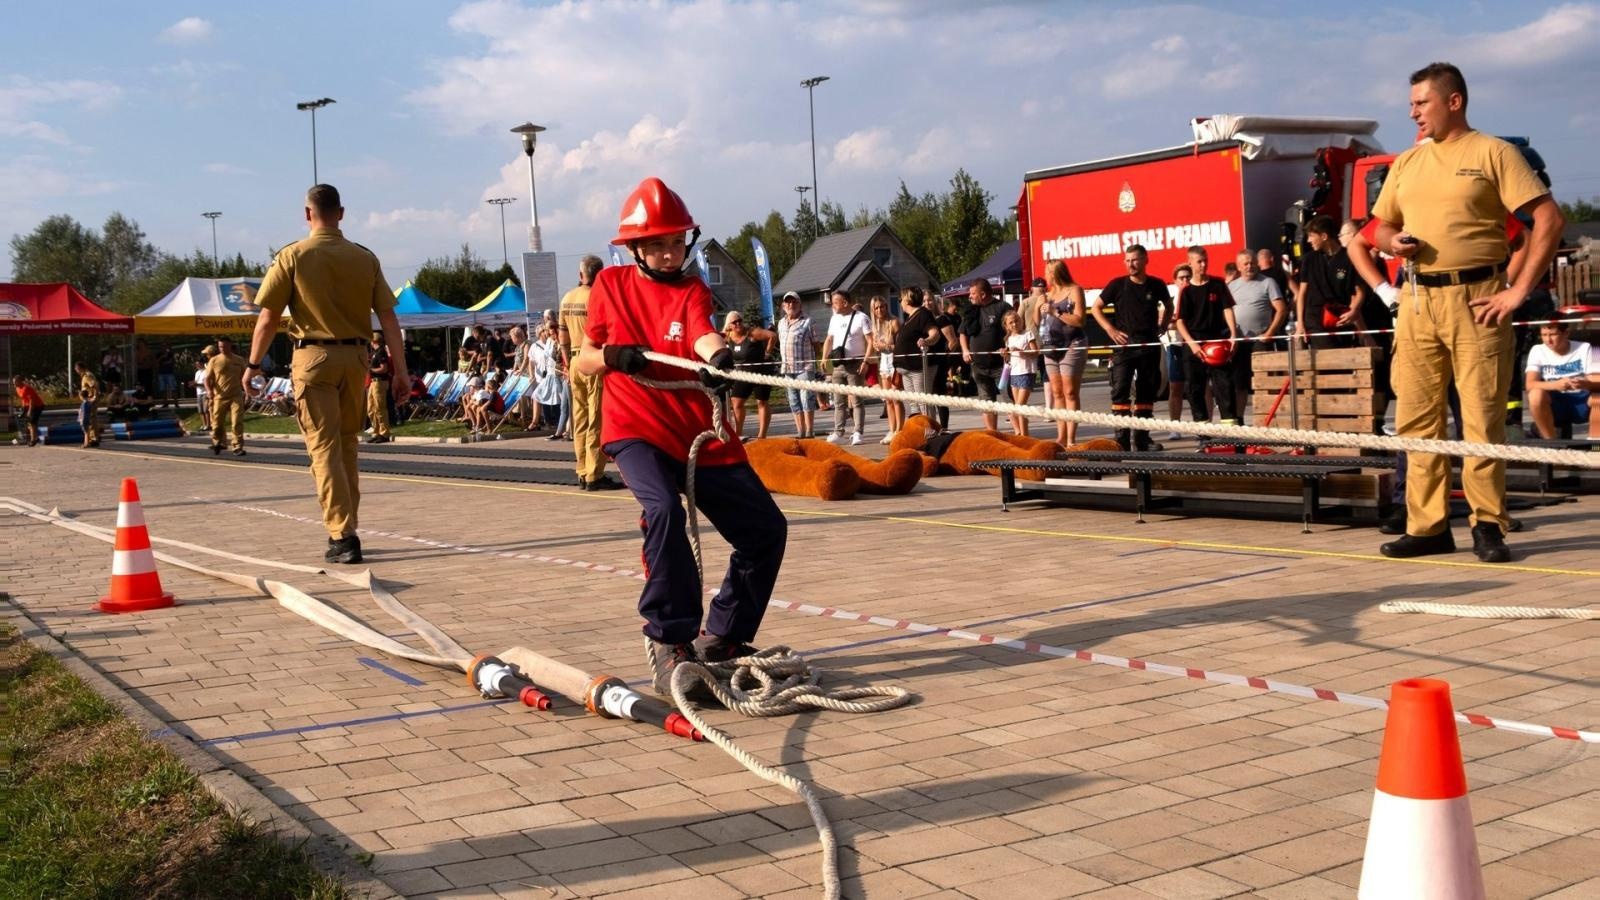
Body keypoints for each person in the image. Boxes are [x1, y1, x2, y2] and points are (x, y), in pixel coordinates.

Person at [575, 176, 788, 695]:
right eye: (658, 245)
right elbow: (582, 360)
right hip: (636, 429)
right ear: (635, 248)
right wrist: (613, 357)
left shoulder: (694, 288)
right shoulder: (611, 287)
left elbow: (700, 331)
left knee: (766, 531)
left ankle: (726, 636)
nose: (670, 255)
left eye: (677, 243)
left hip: (696, 431)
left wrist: (718, 358)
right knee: (664, 512)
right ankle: (671, 642)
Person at [1370, 62, 1564, 563]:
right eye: (1411, 103)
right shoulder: (1408, 163)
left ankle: (1488, 526)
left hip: (1477, 301)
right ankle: (1427, 526)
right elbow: (1379, 229)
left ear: (1454, 101)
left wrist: (1518, 291)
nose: (1412, 111)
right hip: (1416, 303)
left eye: (1421, 102)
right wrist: (1397, 242)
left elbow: (1547, 218)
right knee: (1416, 419)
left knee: (1480, 419)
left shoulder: (1494, 152)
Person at [247, 184, 408, 565]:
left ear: (307, 214)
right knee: (348, 445)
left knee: (323, 448)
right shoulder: (364, 258)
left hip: (313, 358)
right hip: (356, 360)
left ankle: (342, 534)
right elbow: (388, 318)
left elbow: (268, 318)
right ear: (342, 213)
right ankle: (347, 523)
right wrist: (400, 370)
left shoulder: (292, 256)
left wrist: (253, 364)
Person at [1093, 245, 1172, 450]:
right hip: (1124, 349)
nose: (1131, 264)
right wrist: (1110, 329)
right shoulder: (1117, 285)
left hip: (1149, 347)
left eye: (1135, 260)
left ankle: (1142, 438)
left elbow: (1169, 305)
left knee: (1146, 394)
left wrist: (1163, 325)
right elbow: (1096, 307)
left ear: (1146, 260)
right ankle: (1121, 439)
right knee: (1120, 391)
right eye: (1127, 260)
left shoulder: (1156, 284)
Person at [560, 255, 618, 489]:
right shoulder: (597, 297)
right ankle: (594, 473)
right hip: (592, 359)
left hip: (573, 359)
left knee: (580, 418)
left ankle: (582, 469)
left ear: (580, 274)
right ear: (600, 274)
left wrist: (566, 362)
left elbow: (562, 335)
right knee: (596, 418)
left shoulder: (567, 298)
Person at [1174, 246, 1241, 425]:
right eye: (1199, 261)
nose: (1204, 265)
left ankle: (1231, 431)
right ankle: (1203, 434)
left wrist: (1233, 335)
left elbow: (1227, 309)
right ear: (1190, 263)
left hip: (1217, 341)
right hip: (1194, 345)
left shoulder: (1218, 284)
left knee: (1224, 387)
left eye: (1206, 260)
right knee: (1194, 389)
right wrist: (1193, 345)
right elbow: (1180, 321)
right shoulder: (1186, 291)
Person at [1228, 248, 1288, 418]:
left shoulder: (1268, 282)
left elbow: (1281, 310)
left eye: (1253, 262)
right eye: (1245, 263)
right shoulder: (1232, 286)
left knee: (1264, 382)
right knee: (1239, 384)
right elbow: (1226, 311)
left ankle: (1268, 419)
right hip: (1239, 342)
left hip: (1261, 341)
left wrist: (1270, 332)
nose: (1250, 266)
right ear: (1239, 266)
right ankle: (1239, 421)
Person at [1294, 215, 1364, 349]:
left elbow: (1359, 291)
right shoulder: (1309, 259)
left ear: (1324, 236)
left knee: (1344, 361)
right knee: (1327, 357)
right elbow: (1302, 293)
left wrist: (1354, 311)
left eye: (1311, 236)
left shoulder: (1349, 257)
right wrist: (1300, 324)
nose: (1308, 240)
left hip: (1341, 318)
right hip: (1315, 319)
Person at [1041, 260, 1088, 445]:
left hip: (1072, 343)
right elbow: (1038, 322)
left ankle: (1071, 439)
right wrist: (1039, 307)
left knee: (1070, 392)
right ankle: (1060, 436)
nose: (1045, 276)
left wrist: (1056, 312)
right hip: (1050, 346)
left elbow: (1080, 320)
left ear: (1055, 273)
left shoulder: (1075, 290)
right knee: (1057, 392)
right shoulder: (1048, 294)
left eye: (1047, 272)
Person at [1524, 322, 1598, 438]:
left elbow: (1597, 383)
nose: (1548, 340)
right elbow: (1530, 385)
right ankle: (1551, 442)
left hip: (1581, 400)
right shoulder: (1537, 350)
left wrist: (1583, 383)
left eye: (1553, 334)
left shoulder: (1585, 347)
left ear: (1566, 333)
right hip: (1556, 403)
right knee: (1535, 395)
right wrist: (1556, 385)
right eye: (1544, 335)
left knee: (1598, 397)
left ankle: (1595, 443)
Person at [819, 288, 871, 444]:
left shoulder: (862, 318)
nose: (832, 305)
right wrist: (823, 358)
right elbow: (829, 339)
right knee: (838, 400)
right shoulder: (834, 318)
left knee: (856, 400)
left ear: (845, 302)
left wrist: (865, 361)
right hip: (838, 364)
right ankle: (838, 432)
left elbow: (870, 341)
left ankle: (858, 432)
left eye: (835, 302)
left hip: (855, 363)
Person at [959, 279, 1008, 431]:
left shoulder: (1002, 307)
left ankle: (1020, 434)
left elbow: (1013, 329)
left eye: (973, 294)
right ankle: (992, 433)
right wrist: (965, 350)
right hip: (978, 365)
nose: (970, 297)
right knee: (986, 401)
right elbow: (962, 333)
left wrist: (1008, 347)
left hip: (1001, 366)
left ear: (983, 294)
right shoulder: (971, 310)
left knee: (1009, 399)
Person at [723, 311, 776, 440]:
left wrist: (767, 354)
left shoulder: (752, 333)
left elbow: (772, 336)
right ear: (729, 325)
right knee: (736, 403)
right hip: (742, 374)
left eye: (740, 320)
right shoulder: (727, 337)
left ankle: (762, 436)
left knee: (762, 401)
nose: (738, 324)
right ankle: (738, 434)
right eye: (734, 322)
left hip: (760, 371)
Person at [893, 287, 942, 422]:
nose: (900, 302)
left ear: (907, 300)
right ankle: (918, 431)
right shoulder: (910, 318)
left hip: (919, 367)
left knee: (923, 401)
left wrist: (926, 341)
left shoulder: (923, 314)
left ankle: (930, 432)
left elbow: (935, 333)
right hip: (906, 369)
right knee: (913, 403)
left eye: (900, 299)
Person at [775, 291, 820, 438]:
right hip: (787, 368)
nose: (791, 305)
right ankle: (800, 432)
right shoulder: (781, 323)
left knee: (807, 399)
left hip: (805, 367)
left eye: (794, 302)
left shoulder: (808, 321)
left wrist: (814, 363)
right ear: (783, 306)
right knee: (793, 400)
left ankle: (809, 431)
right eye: (788, 302)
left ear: (800, 304)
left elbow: (816, 344)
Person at [1162, 264, 1192, 437]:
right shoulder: (1171, 298)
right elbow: (1163, 320)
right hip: (1175, 345)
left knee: (1200, 387)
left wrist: (1176, 321)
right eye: (1181, 277)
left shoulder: (1195, 294)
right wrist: (1174, 322)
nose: (1185, 280)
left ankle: (1203, 427)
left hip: (1193, 345)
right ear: (1175, 280)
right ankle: (1175, 427)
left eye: (1188, 276)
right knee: (1175, 387)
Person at [869, 295, 903, 443]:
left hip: (895, 362)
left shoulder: (894, 322)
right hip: (884, 362)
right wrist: (877, 347)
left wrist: (886, 346)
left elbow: (902, 346)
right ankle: (891, 429)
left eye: (881, 306)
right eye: (876, 307)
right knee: (888, 400)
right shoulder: (875, 325)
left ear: (886, 307)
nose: (879, 310)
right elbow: (877, 346)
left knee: (896, 399)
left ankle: (899, 430)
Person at [206, 337, 247, 456]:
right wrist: (209, 391)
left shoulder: (239, 360)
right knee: (217, 423)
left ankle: (237, 446)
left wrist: (247, 391)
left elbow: (244, 377)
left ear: (230, 345)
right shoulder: (214, 360)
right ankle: (218, 442)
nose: (222, 349)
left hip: (236, 395)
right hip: (220, 396)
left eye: (224, 346)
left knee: (237, 422)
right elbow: (207, 379)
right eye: (220, 347)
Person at [1001, 308, 1038, 436]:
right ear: (1006, 326)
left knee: (1019, 407)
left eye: (1016, 321)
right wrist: (1005, 354)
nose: (1015, 324)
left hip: (1027, 372)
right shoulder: (1008, 339)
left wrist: (1022, 351)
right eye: (1011, 322)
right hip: (1014, 373)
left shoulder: (1028, 334)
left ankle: (1024, 435)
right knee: (1019, 409)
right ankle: (1023, 433)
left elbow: (1036, 352)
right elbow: (1009, 359)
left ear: (1021, 321)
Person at [1021, 278, 1054, 410]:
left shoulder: (1049, 300)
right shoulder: (1026, 302)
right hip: (1033, 344)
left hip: (1044, 343)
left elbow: (1018, 323)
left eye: (1042, 287)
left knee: (1032, 376)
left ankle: (1021, 408)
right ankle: (1048, 409)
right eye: (1039, 287)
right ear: (1032, 288)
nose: (1040, 289)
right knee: (1043, 377)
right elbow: (1019, 322)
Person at [364, 334, 394, 444]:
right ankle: (376, 431)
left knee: (379, 408)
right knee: (371, 409)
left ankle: (384, 433)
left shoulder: (381, 352)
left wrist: (370, 370)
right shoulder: (375, 353)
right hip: (373, 382)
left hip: (379, 382)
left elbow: (384, 369)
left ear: (374, 341)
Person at [74, 361, 100, 448]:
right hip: (89, 399)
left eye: (76, 369)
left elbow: (94, 385)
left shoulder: (87, 376)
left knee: (90, 419)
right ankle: (93, 438)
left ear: (80, 368)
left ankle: (93, 439)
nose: (76, 371)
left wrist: (94, 397)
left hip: (90, 400)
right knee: (91, 419)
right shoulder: (86, 375)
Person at [13, 375, 43, 446]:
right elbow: (23, 399)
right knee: (29, 422)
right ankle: (36, 438)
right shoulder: (17, 388)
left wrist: (29, 411)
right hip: (28, 406)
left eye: (15, 382)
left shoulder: (26, 388)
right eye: (13, 382)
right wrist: (23, 409)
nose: (14, 384)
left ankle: (33, 440)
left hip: (37, 406)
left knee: (32, 422)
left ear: (20, 381)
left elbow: (32, 400)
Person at [194, 349, 213, 431]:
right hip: (198, 392)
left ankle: (208, 425)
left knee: (206, 409)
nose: (197, 366)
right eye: (196, 364)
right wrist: (193, 384)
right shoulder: (197, 372)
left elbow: (207, 383)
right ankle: (204, 424)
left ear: (202, 364)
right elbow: (196, 381)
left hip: (205, 392)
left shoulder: (206, 371)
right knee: (200, 410)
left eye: (198, 364)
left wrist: (198, 384)